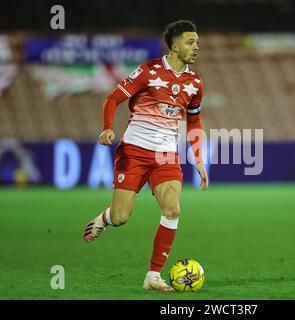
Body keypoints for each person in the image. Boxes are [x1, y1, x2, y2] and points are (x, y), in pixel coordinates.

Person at [82, 20, 208, 291]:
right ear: (174, 46)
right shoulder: (148, 71)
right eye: (191, 41)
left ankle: (153, 276)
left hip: (166, 156)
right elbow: (112, 99)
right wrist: (106, 127)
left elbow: (194, 122)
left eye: (197, 41)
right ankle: (102, 219)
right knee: (120, 218)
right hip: (134, 152)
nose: (197, 47)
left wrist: (198, 158)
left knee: (172, 209)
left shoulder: (195, 83)